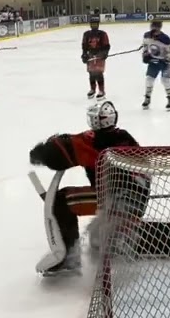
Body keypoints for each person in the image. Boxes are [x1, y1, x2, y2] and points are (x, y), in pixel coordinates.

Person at [27, 101, 148, 277]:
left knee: (61, 201)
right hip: (136, 198)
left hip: (117, 200)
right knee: (96, 236)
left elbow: (64, 148)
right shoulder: (123, 136)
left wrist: (42, 154)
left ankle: (67, 257)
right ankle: (115, 238)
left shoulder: (94, 142)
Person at [141, 20, 170, 111]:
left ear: (160, 28)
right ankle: (147, 98)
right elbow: (145, 47)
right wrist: (145, 55)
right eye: (152, 27)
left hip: (165, 63)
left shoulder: (165, 39)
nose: (153, 30)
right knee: (149, 79)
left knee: (165, 80)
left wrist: (168, 58)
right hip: (153, 62)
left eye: (156, 28)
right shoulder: (146, 36)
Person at [81, 14, 111, 99]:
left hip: (99, 55)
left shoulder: (102, 34)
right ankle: (92, 89)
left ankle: (101, 90)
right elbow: (84, 46)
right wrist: (84, 54)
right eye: (92, 24)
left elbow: (107, 45)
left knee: (98, 73)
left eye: (95, 24)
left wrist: (104, 53)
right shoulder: (86, 34)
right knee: (91, 73)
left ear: (98, 25)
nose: (94, 26)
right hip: (90, 55)